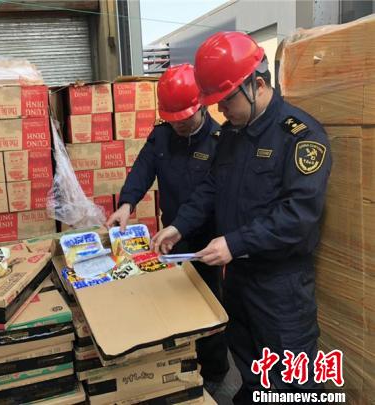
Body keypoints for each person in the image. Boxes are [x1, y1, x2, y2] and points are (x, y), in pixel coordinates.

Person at [151, 32, 332, 404]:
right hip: (238, 278)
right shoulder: (233, 135)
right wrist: (179, 225)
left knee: (292, 384)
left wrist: (235, 242)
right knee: (250, 367)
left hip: (280, 286)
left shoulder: (299, 136)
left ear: (257, 85)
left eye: (225, 99)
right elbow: (210, 187)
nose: (220, 111)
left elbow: (298, 215)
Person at [106, 63, 230, 391]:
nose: (178, 125)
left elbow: (207, 198)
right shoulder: (162, 135)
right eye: (172, 119)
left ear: (201, 106)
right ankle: (180, 364)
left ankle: (215, 371)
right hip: (170, 234)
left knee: (207, 305)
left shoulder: (219, 141)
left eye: (183, 119)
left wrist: (180, 227)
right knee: (173, 301)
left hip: (205, 240)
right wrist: (127, 204)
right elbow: (143, 169)